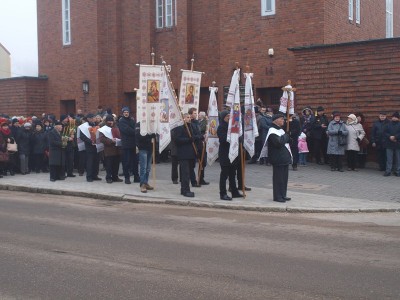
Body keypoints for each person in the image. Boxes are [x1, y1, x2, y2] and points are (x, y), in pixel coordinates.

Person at [217, 111, 242, 200]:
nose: (229, 117)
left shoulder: (233, 126)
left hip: (233, 153)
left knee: (232, 174)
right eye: (227, 116)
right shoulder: (221, 127)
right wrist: (232, 136)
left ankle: (234, 191)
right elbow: (223, 140)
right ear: (223, 117)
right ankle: (223, 193)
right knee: (224, 175)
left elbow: (238, 138)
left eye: (229, 116)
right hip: (225, 154)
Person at [267, 113, 292, 203]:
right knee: (278, 178)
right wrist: (286, 136)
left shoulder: (280, 130)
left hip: (284, 157)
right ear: (275, 120)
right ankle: (277, 196)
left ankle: (283, 194)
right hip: (277, 157)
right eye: (281, 119)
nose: (283, 121)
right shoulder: (272, 131)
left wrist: (289, 136)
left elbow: (286, 141)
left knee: (284, 178)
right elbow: (278, 143)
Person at [175, 113, 197, 197]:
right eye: (187, 117)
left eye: (190, 117)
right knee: (185, 173)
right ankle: (185, 190)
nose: (189, 119)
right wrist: (188, 140)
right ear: (183, 119)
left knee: (189, 172)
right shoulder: (179, 127)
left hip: (190, 153)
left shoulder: (190, 127)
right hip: (183, 154)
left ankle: (185, 189)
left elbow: (194, 137)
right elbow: (177, 139)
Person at [99, 115, 123, 183]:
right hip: (108, 150)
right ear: (106, 121)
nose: (110, 122)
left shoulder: (116, 127)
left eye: (111, 120)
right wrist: (111, 140)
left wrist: (118, 140)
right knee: (109, 165)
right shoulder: (103, 129)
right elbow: (102, 139)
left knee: (116, 165)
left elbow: (120, 135)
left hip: (117, 149)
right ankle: (108, 177)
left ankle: (115, 177)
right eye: (109, 121)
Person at [118, 107, 139, 184]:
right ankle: (127, 178)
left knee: (135, 162)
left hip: (133, 144)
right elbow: (127, 130)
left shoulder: (132, 120)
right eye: (125, 112)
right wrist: (134, 131)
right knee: (126, 162)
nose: (126, 113)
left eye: (127, 112)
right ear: (123, 113)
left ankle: (136, 177)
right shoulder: (121, 121)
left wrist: (134, 131)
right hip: (126, 145)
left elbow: (136, 129)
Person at [79, 113, 102, 182]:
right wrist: (90, 141)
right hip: (89, 146)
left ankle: (95, 175)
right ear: (88, 119)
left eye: (94, 118)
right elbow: (82, 137)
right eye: (93, 118)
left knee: (96, 161)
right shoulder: (83, 126)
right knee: (90, 162)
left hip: (96, 146)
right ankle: (89, 176)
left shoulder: (96, 125)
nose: (94, 119)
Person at [135, 121, 156, 193]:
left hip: (150, 148)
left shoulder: (150, 124)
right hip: (143, 148)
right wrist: (149, 135)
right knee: (143, 167)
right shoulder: (139, 124)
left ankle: (146, 182)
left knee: (148, 168)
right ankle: (142, 184)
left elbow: (153, 135)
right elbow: (139, 136)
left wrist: (153, 135)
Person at [383, 112, 400, 176]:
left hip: (398, 143)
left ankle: (398, 171)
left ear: (398, 118)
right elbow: (385, 132)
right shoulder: (388, 124)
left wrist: (395, 137)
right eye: (393, 117)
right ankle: (388, 171)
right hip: (389, 143)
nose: (394, 118)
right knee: (389, 159)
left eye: (396, 117)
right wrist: (389, 136)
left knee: (398, 159)